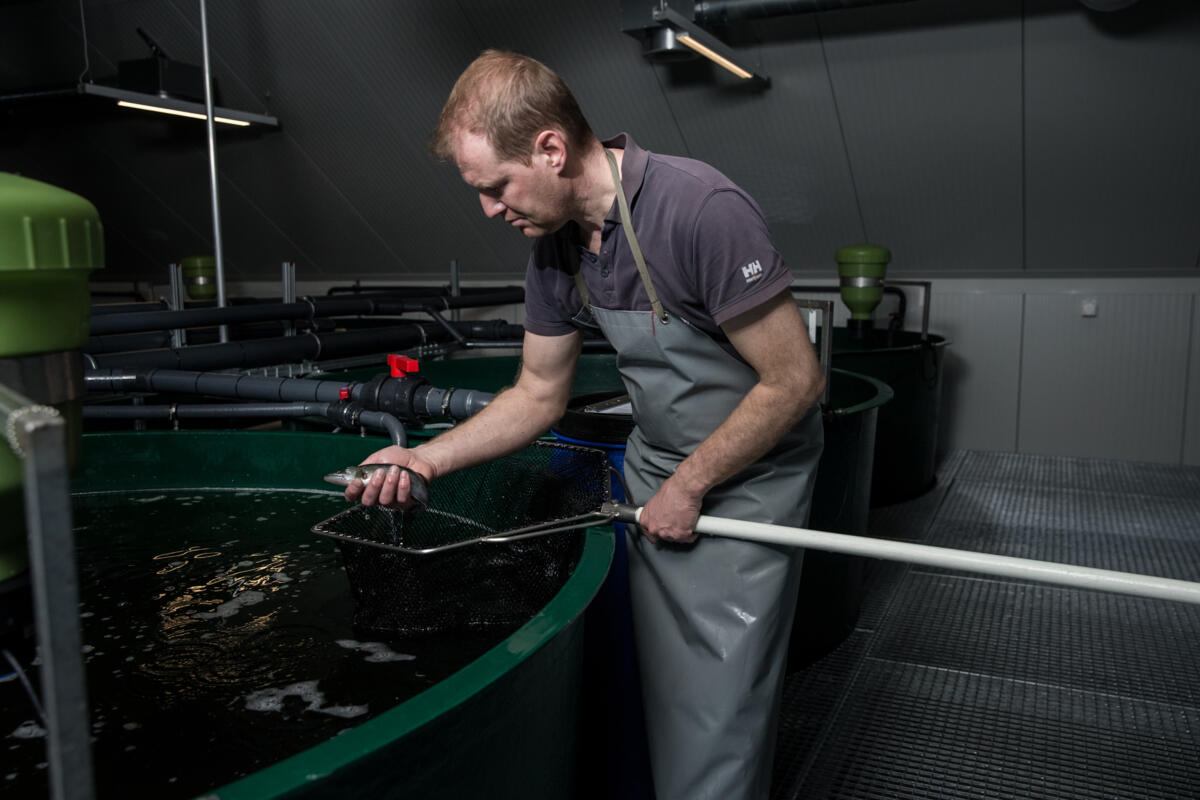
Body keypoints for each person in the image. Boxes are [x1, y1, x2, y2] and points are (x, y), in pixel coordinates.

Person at [345, 50, 825, 800]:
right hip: (656, 478)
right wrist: (426, 463)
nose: (490, 210)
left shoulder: (700, 209)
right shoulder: (555, 252)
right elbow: (537, 394)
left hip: (747, 486)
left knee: (721, 711)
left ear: (550, 147)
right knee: (664, 695)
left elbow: (795, 380)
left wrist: (694, 482)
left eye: (496, 186)